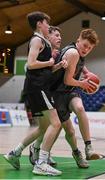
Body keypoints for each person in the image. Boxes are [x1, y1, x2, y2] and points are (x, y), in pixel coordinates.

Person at [29, 27, 105, 167]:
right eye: (84, 46)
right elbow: (67, 80)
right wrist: (82, 84)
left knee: (80, 108)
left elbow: (79, 65)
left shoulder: (78, 52)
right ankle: (75, 153)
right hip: (57, 93)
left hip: (69, 91)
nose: (86, 49)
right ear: (78, 41)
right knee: (68, 131)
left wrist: (87, 73)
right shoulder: (73, 53)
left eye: (89, 48)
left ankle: (88, 148)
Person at [4, 11, 63, 176]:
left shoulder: (42, 41)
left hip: (38, 86)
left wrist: (56, 66)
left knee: (43, 127)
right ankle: (41, 163)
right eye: (46, 23)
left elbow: (45, 68)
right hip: (38, 87)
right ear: (39, 24)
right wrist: (49, 62)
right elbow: (30, 64)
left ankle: (14, 153)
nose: (48, 26)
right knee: (56, 123)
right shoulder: (37, 39)